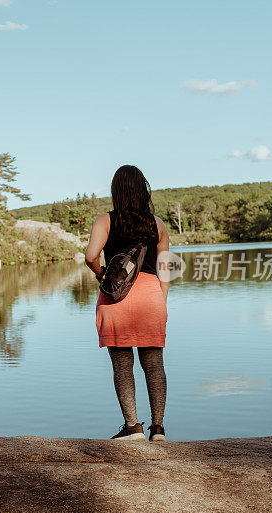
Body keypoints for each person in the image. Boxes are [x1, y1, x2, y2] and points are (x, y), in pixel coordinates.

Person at [84, 165, 170, 442]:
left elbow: (90, 256)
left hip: (116, 297)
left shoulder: (105, 221)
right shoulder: (157, 224)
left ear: (116, 191)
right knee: (154, 363)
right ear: (142, 190)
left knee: (122, 364)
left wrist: (103, 275)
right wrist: (161, 300)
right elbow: (166, 269)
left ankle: (132, 428)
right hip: (150, 295)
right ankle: (158, 429)